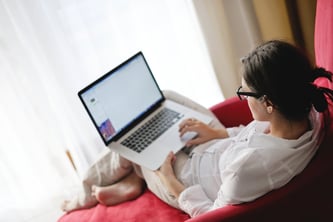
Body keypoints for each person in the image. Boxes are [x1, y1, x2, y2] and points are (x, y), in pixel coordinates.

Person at [62, 40, 333, 217]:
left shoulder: (247, 170)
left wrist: (170, 180)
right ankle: (133, 178)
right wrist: (218, 133)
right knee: (164, 98)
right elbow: (256, 136)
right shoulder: (307, 111)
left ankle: (98, 189)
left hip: (187, 179)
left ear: (269, 103)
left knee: (129, 136)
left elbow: (210, 214)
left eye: (245, 93)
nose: (241, 97)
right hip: (218, 146)